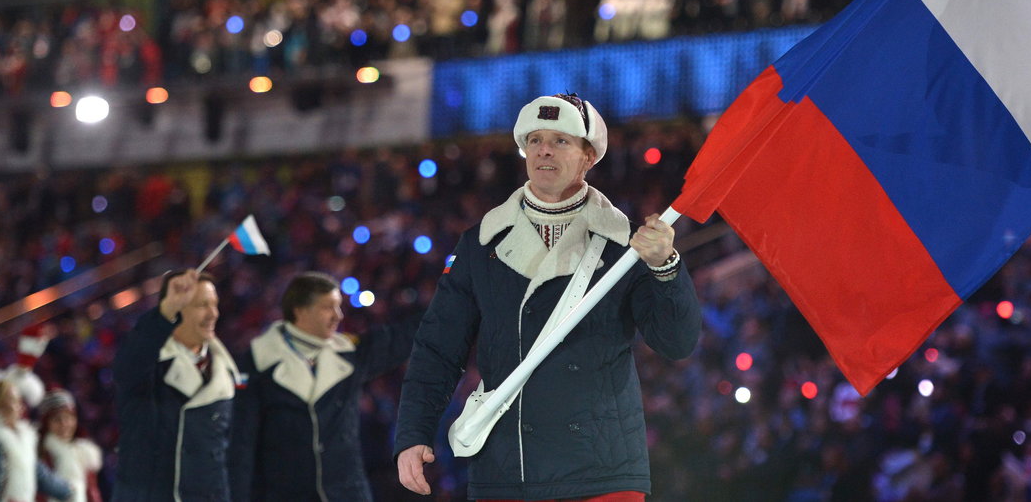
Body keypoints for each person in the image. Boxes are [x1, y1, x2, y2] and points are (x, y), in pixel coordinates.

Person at [394, 93, 702, 501]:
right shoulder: (479, 244)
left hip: (601, 472)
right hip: (507, 470)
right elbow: (438, 348)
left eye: (560, 140)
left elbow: (677, 342)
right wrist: (413, 434)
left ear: (589, 156)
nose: (544, 150)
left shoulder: (627, 245)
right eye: (535, 139)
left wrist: (666, 265)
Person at [229, 271, 419, 501]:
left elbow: (404, 337)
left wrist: (456, 298)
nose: (338, 316)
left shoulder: (349, 355)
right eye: (328, 307)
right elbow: (241, 445)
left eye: (338, 307)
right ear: (300, 311)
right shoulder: (256, 365)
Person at [112, 269, 239, 501]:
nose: (213, 314)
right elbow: (126, 368)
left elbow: (224, 461)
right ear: (176, 310)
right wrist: (164, 313)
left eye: (215, 304)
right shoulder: (148, 364)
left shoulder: (227, 371)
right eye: (202, 305)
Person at [0, 314, 73, 502]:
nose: (19, 406)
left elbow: (45, 479)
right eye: (11, 400)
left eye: (18, 400)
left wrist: (74, 492)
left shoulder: (22, 437)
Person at [38, 388, 103, 502]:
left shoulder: (84, 453)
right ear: (46, 424)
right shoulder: (41, 453)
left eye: (68, 418)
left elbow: (92, 493)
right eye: (57, 419)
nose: (64, 424)